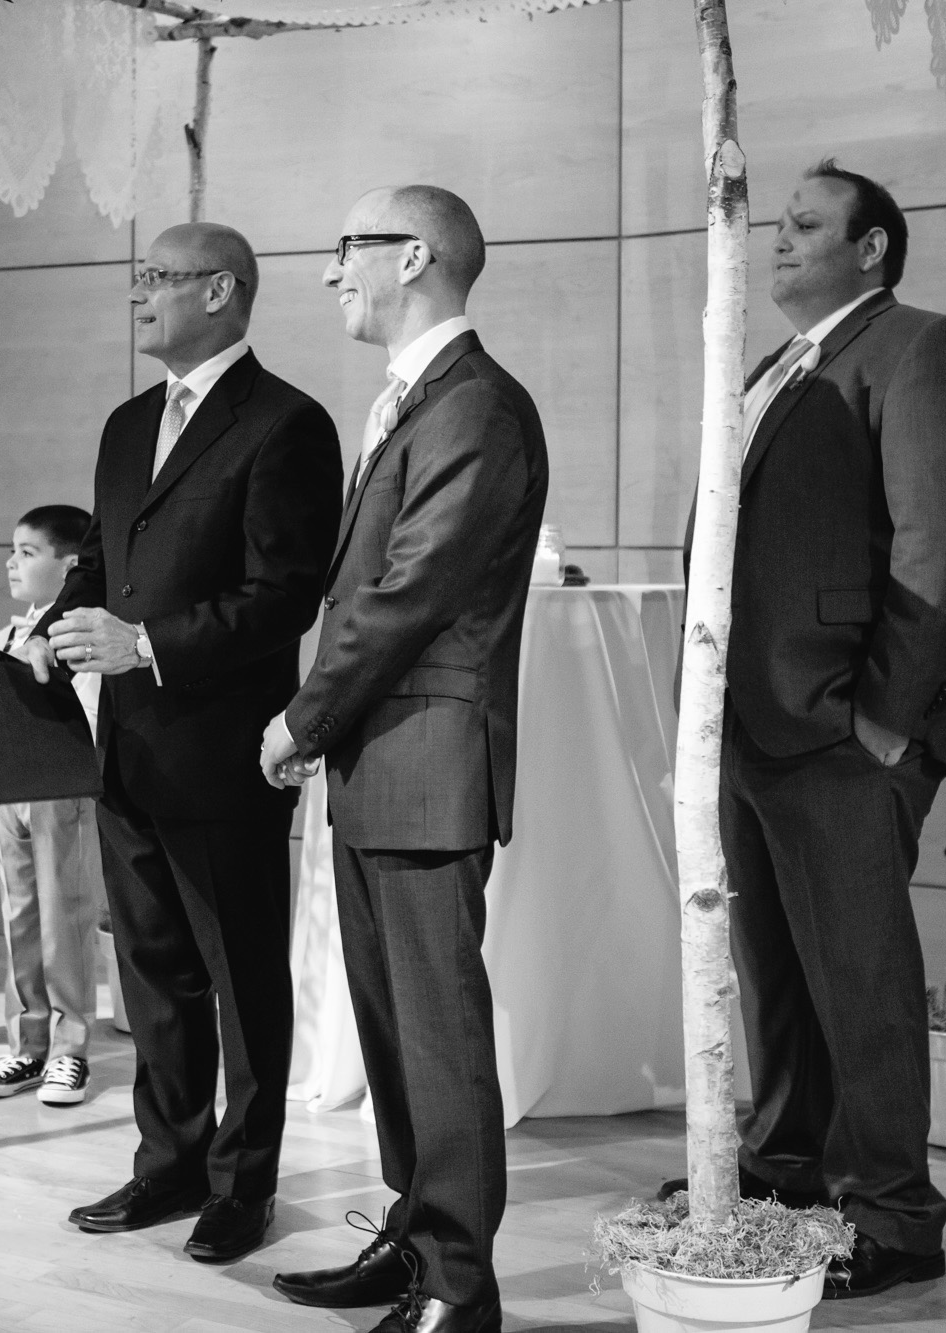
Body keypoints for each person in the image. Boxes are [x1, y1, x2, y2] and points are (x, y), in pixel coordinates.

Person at [686, 162, 946, 1299]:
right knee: (777, 968)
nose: (778, 240)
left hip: (842, 728)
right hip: (755, 720)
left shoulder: (920, 345)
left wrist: (878, 721)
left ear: (871, 249)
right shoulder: (777, 364)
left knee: (859, 977)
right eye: (778, 222)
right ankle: (785, 1169)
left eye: (807, 224)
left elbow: (940, 544)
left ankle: (895, 1216)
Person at [20, 223, 341, 1264]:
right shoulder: (124, 427)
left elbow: (285, 596)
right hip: (127, 751)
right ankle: (167, 1162)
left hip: (223, 751)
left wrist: (144, 643)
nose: (137, 295)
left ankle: (243, 1187)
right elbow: (102, 567)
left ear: (220, 290)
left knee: (240, 977)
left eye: (157, 279)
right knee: (153, 974)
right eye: (138, 277)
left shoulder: (287, 423)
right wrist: (53, 625)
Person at [260, 185, 550, 1333]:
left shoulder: (473, 405)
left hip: (426, 762)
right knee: (389, 1029)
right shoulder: (415, 400)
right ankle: (411, 1239)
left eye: (346, 249)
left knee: (438, 1035)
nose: (332, 272)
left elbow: (403, 595)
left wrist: (301, 719)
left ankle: (460, 1291)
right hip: (381, 763)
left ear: (413, 255)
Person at [0, 505, 107, 1106]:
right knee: (19, 914)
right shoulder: (7, 635)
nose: (11, 561)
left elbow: (90, 709)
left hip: (61, 788)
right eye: (12, 550)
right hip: (9, 790)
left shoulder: (80, 632)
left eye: (28, 552)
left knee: (63, 917)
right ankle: (26, 1041)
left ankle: (71, 1050)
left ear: (72, 566)